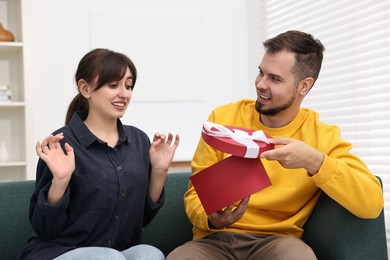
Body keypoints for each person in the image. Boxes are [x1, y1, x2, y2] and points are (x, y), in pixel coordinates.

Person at [166, 30, 384, 259]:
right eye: (261, 73)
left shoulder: (322, 137)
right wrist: (211, 218)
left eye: (274, 78)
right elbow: (195, 197)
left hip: (277, 243)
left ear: (304, 86)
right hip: (214, 241)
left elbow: (371, 203)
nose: (260, 84)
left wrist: (314, 161)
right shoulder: (222, 119)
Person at [18, 48, 180, 260]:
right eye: (113, 85)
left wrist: (159, 171)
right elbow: (45, 229)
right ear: (85, 88)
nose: (124, 93)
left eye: (128, 86)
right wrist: (60, 181)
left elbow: (142, 219)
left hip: (116, 253)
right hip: (59, 252)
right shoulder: (62, 143)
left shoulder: (139, 141)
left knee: (150, 254)